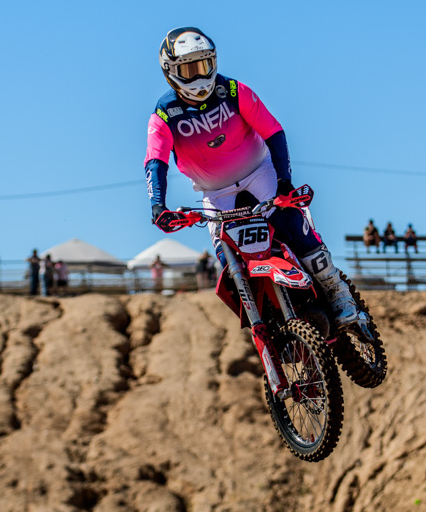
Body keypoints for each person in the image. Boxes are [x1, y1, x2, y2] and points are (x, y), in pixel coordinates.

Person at [144, 27, 359, 326]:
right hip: (216, 193)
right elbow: (155, 161)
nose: (200, 76)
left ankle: (337, 292)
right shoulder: (165, 113)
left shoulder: (234, 91)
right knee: (228, 262)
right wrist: (158, 206)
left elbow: (274, 131)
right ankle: (267, 324)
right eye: (189, 70)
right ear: (171, 72)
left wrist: (284, 181)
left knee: (291, 224)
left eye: (204, 65)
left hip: (260, 173)